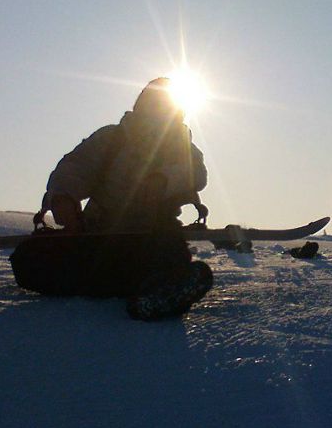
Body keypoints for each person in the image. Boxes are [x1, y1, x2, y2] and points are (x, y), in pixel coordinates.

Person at [12, 78, 213, 319]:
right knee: (27, 261)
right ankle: (144, 287)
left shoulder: (181, 145)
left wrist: (163, 180)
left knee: (166, 258)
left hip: (154, 234)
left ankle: (149, 287)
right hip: (99, 231)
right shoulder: (110, 139)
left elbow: (195, 173)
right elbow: (74, 167)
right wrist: (64, 197)